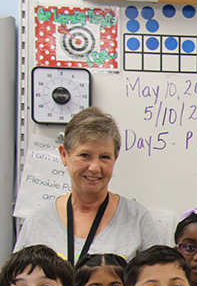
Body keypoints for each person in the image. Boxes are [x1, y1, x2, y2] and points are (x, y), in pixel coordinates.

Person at [15, 107, 160, 262]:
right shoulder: (38, 222)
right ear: (64, 155)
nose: (95, 167)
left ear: (115, 158)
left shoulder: (137, 219)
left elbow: (160, 280)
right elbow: (12, 283)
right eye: (85, 155)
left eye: (105, 157)